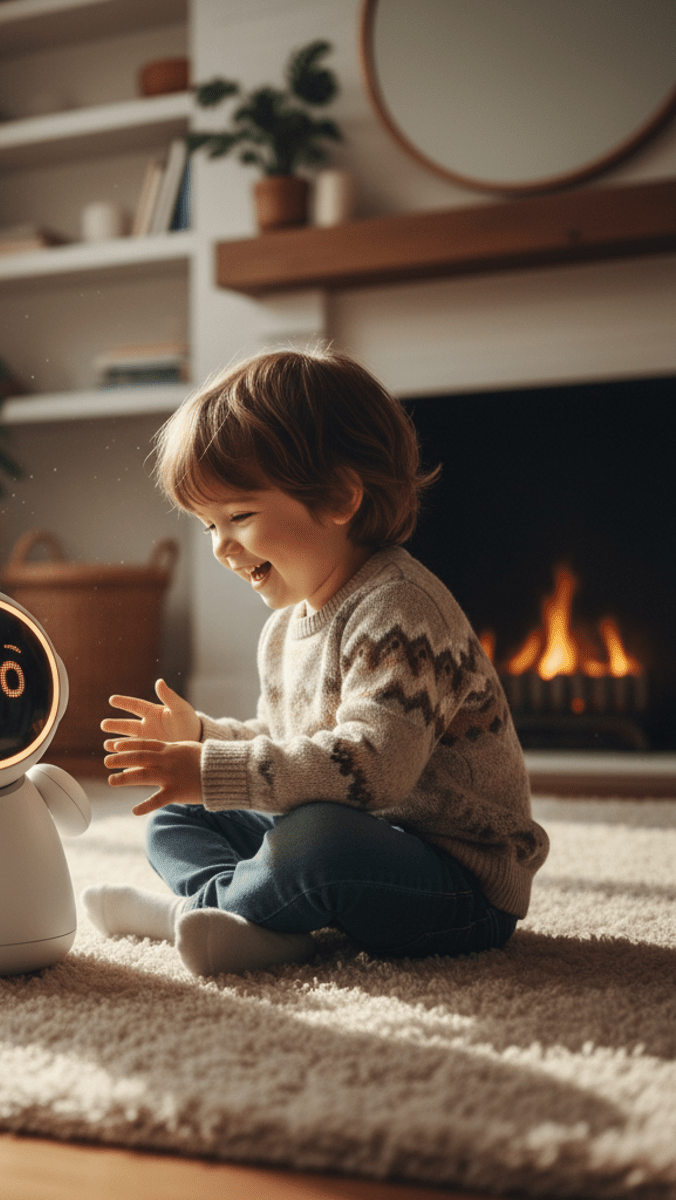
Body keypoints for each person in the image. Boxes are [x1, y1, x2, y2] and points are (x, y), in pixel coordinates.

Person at [81, 348, 549, 976]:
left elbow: (373, 768)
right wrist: (203, 738)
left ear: (338, 498)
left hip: (456, 882)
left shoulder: (402, 610)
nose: (220, 547)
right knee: (178, 814)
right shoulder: (285, 626)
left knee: (319, 840)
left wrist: (212, 767)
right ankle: (246, 920)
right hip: (357, 833)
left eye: (238, 516)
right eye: (208, 526)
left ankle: (199, 913)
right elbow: (286, 741)